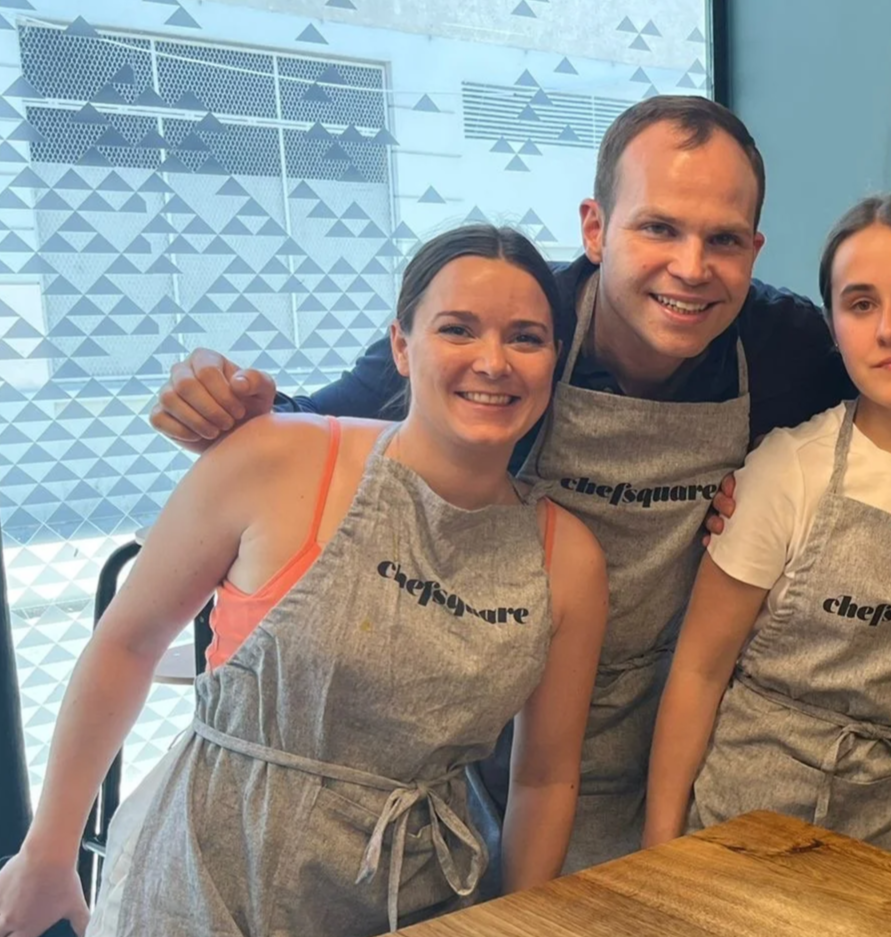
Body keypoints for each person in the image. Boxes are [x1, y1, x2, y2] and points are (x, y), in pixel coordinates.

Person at [146, 97, 851, 872]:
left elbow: (862, 465)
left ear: (753, 249)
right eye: (658, 227)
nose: (690, 267)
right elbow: (327, 430)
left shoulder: (788, 348)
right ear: (595, 227)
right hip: (478, 743)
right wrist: (225, 401)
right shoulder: (510, 327)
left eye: (721, 240)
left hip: (672, 745)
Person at [0, 224, 608, 937]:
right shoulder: (277, 459)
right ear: (401, 345)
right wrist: (50, 849)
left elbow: (543, 779)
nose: (492, 362)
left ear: (551, 364)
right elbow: (126, 643)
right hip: (201, 880)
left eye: (524, 339)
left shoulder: (567, 559)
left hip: (404, 912)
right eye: (457, 328)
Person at [646, 195, 891, 873]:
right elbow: (697, 673)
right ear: (834, 329)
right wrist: (660, 859)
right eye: (861, 304)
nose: (890, 329)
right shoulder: (787, 467)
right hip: (755, 832)